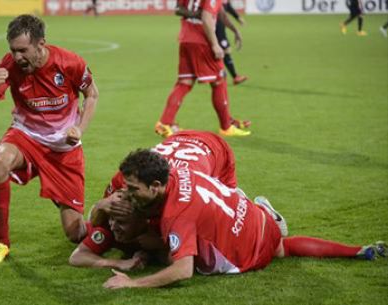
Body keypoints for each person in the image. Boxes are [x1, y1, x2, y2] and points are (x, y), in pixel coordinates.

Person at [102, 150, 386, 289]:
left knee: (160, 249)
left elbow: (182, 271)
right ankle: (357, 250)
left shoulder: (177, 214)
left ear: (155, 185)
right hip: (262, 228)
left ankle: (263, 212)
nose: (127, 191)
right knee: (282, 246)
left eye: (133, 188)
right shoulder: (174, 170)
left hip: (247, 257)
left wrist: (132, 283)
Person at [0, 14, 99, 264]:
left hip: (63, 148)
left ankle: (100, 215)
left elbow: (92, 95)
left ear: (41, 44)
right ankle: (2, 243)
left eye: (23, 50)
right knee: (0, 162)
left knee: (75, 233)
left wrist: (80, 129)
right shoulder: (9, 65)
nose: (17, 57)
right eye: (13, 50)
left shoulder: (69, 63)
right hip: (26, 138)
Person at [69, 130, 239, 267]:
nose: (113, 226)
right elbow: (100, 221)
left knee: (229, 221)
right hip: (177, 141)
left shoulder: (176, 206)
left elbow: (183, 261)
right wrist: (100, 206)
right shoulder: (125, 180)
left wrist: (161, 245)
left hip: (215, 149)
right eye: (114, 219)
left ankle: (257, 209)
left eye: (120, 222)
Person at [154, 0, 251, 138]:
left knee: (184, 83)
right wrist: (215, 44)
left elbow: (220, 12)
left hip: (186, 39)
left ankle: (164, 123)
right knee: (219, 80)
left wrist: (234, 30)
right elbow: (206, 17)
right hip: (202, 41)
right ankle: (226, 127)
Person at [216, 0, 248, 86]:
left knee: (223, 51)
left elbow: (228, 7)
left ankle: (227, 75)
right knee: (225, 50)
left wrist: (238, 17)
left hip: (220, 26)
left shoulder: (224, 2)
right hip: (217, 27)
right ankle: (232, 76)